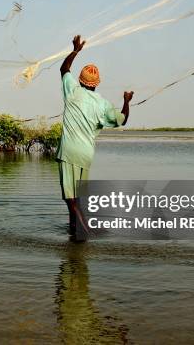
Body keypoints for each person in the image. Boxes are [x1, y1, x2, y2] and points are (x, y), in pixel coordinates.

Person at [56, 35, 133, 239]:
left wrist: (75, 51)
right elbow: (123, 119)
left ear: (80, 81)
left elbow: (64, 69)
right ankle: (74, 231)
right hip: (86, 155)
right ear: (96, 84)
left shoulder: (72, 91)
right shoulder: (103, 104)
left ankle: (85, 231)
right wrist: (126, 100)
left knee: (70, 199)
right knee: (78, 199)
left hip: (69, 153)